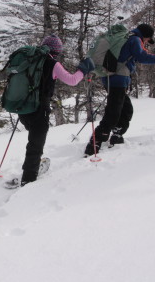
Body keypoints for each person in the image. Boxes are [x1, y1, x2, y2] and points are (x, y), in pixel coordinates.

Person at [5, 34, 95, 188]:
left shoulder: (30, 59)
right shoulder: (52, 64)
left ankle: (32, 166)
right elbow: (72, 80)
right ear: (57, 51)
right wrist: (83, 69)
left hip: (23, 106)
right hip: (39, 109)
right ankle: (29, 177)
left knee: (34, 140)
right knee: (36, 143)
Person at [84, 24, 155, 156]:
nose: (147, 42)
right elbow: (142, 57)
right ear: (145, 36)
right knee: (113, 113)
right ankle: (95, 142)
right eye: (148, 40)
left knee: (125, 109)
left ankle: (117, 135)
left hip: (109, 77)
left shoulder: (125, 38)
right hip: (118, 79)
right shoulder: (135, 40)